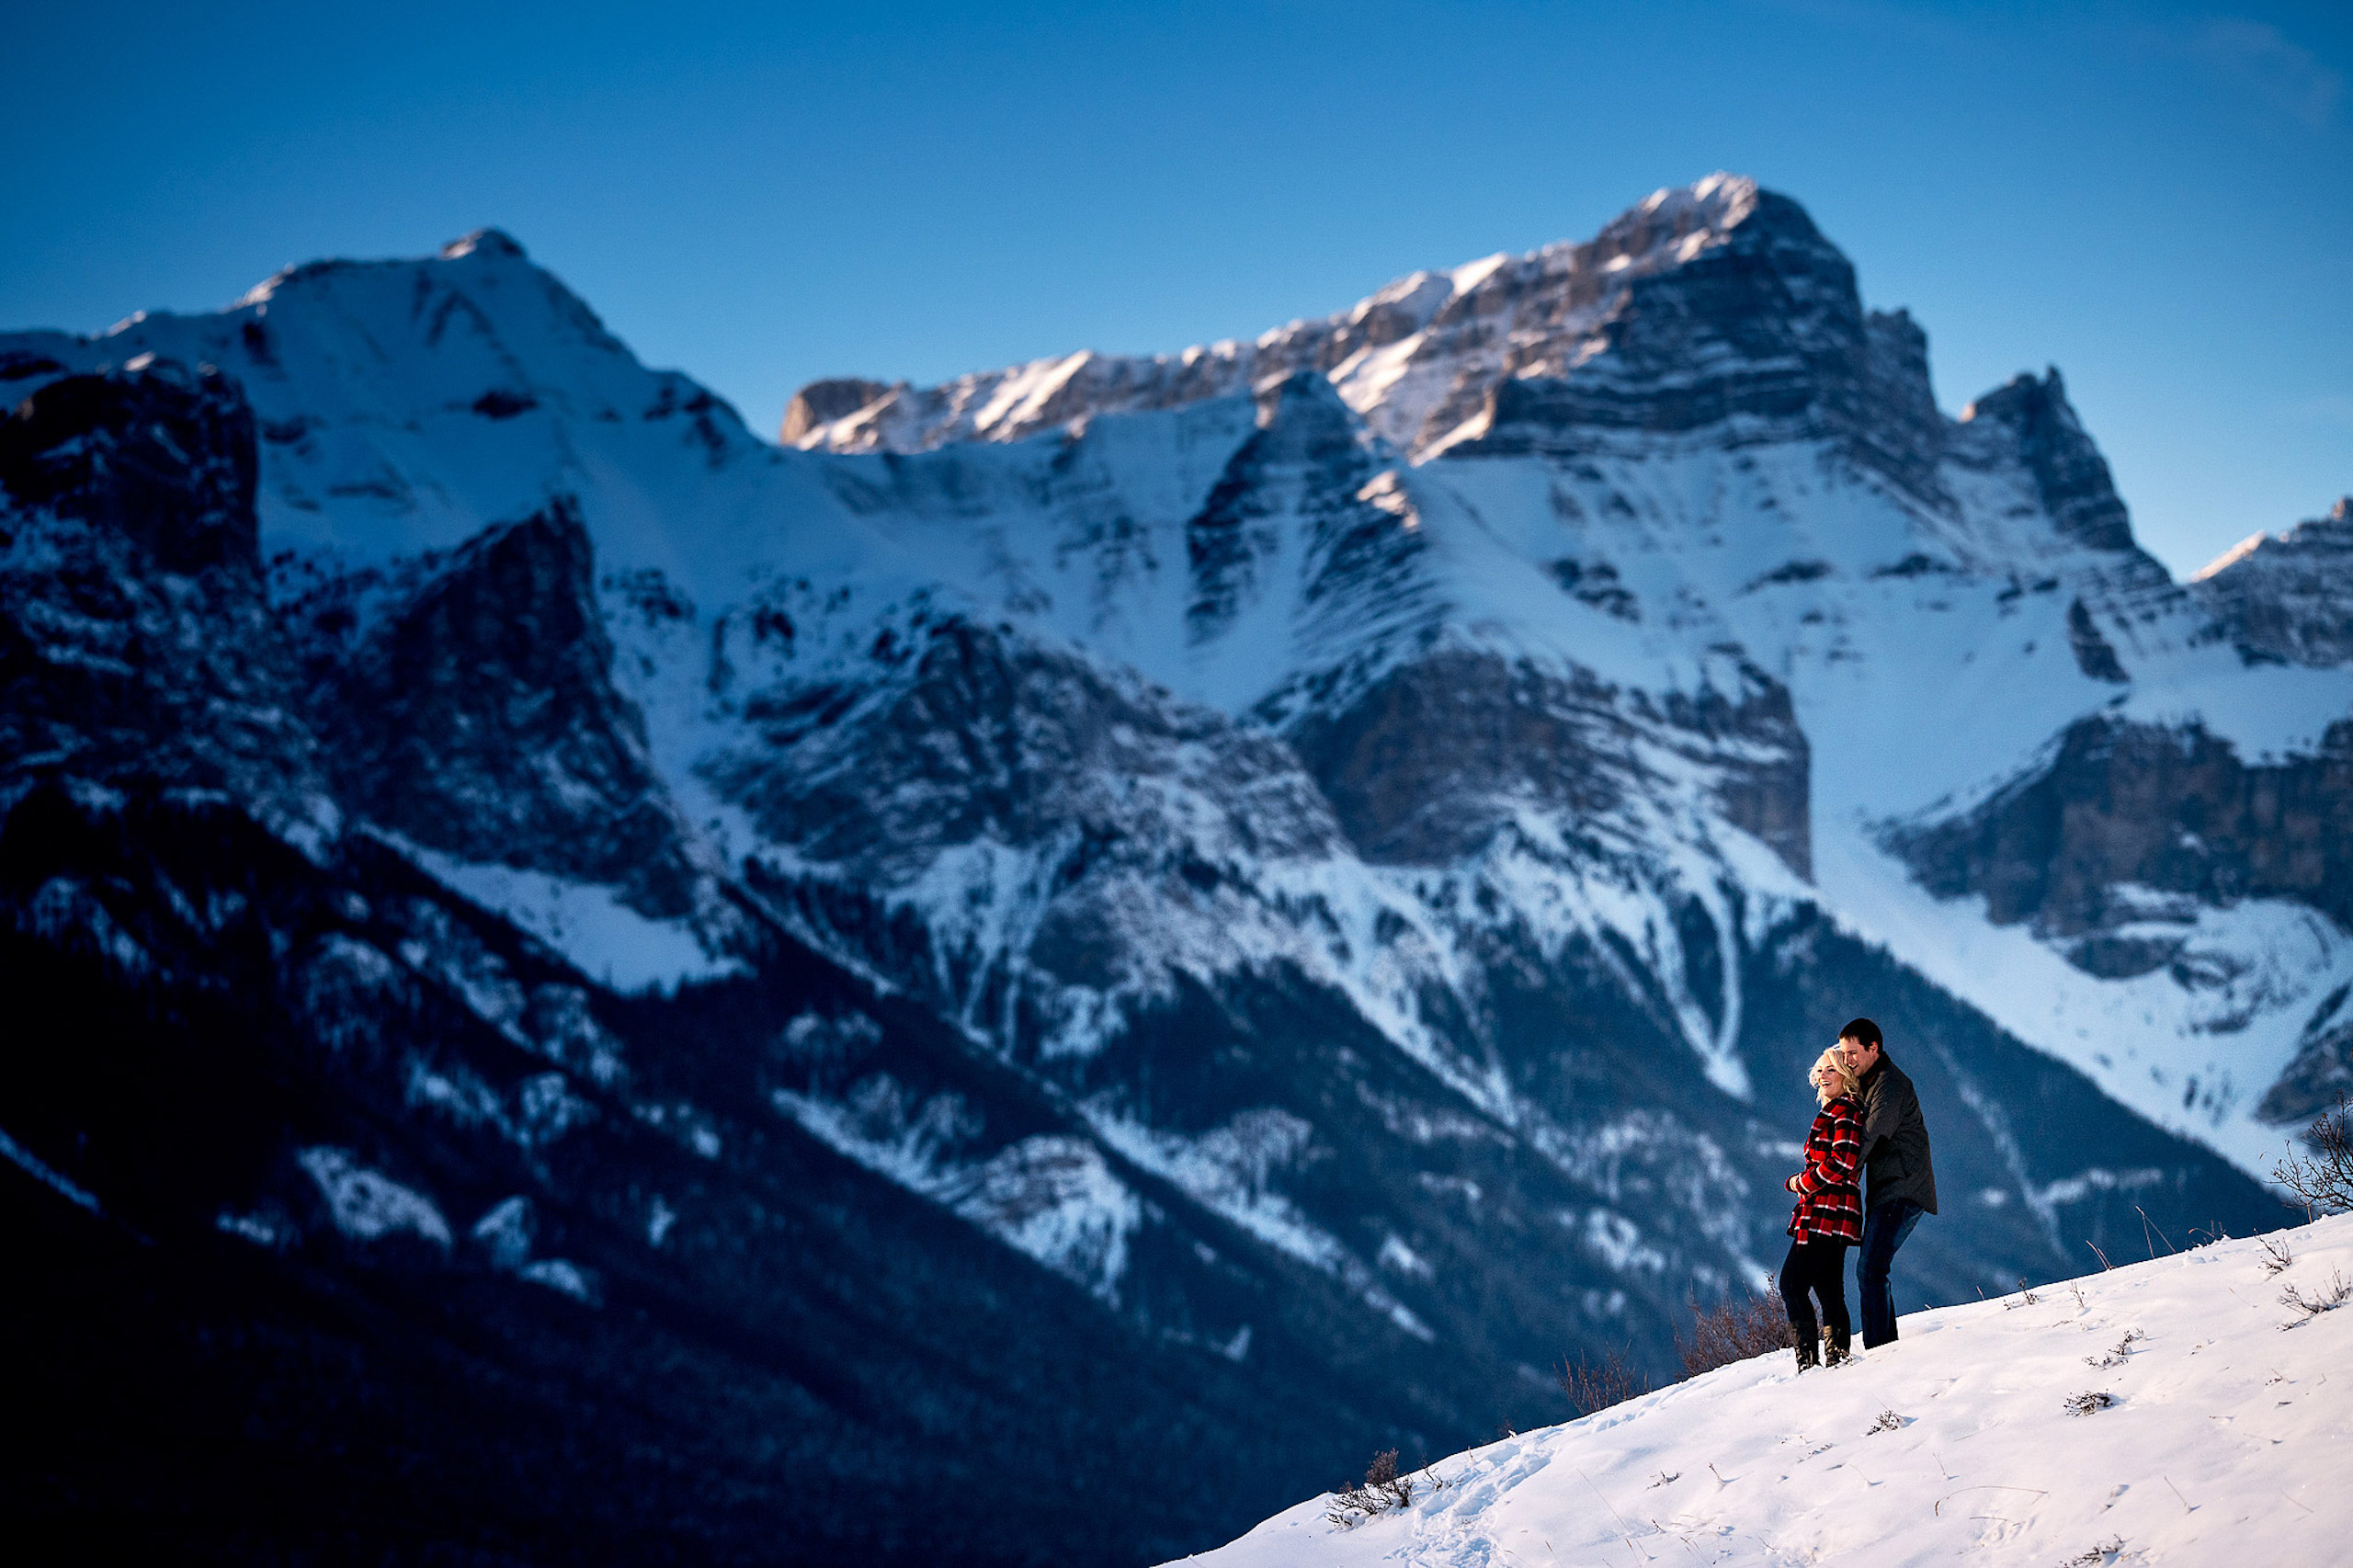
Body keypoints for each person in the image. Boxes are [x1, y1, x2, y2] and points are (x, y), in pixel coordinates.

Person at [1839, 1017, 1938, 1348]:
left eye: (1852, 1052)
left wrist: (1840, 1173)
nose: (1846, 1060)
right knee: (1873, 1268)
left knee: (1870, 1268)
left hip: (1904, 1187)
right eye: (1843, 1053)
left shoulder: (1890, 1085)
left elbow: (1871, 1133)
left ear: (1873, 1049)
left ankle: (1880, 1351)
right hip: (1890, 1188)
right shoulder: (1869, 1082)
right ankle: (1887, 1348)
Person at [1779, 1047, 1863, 1370]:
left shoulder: (1846, 1111)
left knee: (1791, 1284)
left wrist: (1803, 1182)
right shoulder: (1835, 1111)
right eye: (1820, 1070)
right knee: (1828, 1289)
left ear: (1845, 1075)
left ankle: (1809, 1366)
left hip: (1827, 1213)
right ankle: (1837, 1361)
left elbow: (1844, 1160)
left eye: (1831, 1070)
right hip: (1831, 1214)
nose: (1823, 1075)